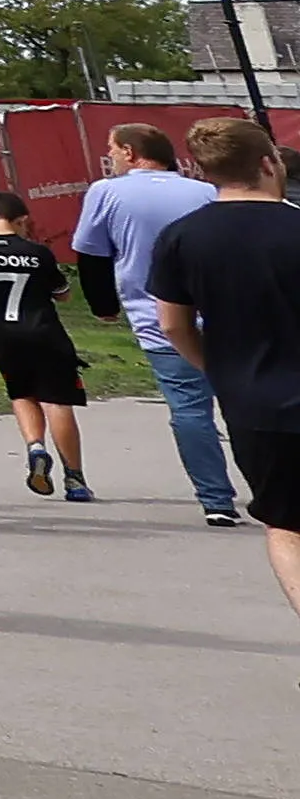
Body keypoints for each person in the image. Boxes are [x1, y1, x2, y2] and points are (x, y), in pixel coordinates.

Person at [146, 115, 300, 628]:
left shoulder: (182, 237)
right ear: (267, 162)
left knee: (285, 524)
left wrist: (219, 367)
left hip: (253, 402)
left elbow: (172, 325)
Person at [75, 122, 240, 527]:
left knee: (189, 408)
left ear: (130, 152)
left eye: (112, 150)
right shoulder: (204, 191)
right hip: (225, 312)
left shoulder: (106, 192)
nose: (110, 158)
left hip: (157, 316)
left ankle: (216, 499)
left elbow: (91, 255)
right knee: (244, 403)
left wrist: (103, 305)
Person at [0, 186, 93, 499]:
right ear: (22, 219)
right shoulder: (38, 252)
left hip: (2, 336)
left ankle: (36, 447)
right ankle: (75, 479)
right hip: (45, 334)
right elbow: (63, 295)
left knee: (21, 392)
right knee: (57, 400)